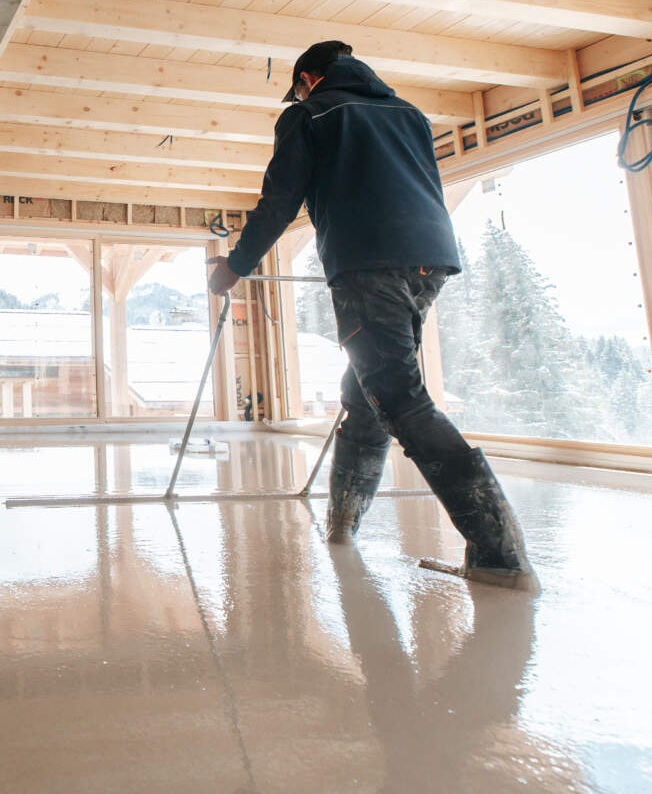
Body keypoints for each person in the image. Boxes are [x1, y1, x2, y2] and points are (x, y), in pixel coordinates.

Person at [208, 41, 539, 591]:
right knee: (366, 394)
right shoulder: (409, 114)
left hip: (368, 266)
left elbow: (279, 202)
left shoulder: (308, 114)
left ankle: (499, 553)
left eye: (298, 86)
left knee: (401, 398)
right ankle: (342, 529)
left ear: (309, 78)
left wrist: (235, 267)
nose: (298, 95)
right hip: (429, 262)